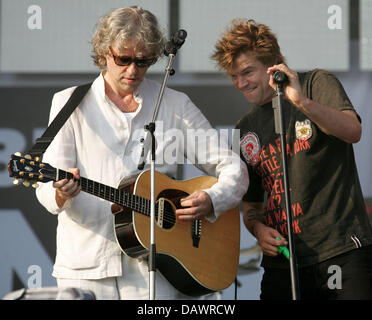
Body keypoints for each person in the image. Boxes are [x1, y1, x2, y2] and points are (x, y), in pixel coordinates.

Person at [35, 6, 248, 300]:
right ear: (103, 51)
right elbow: (46, 190)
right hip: (85, 268)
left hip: (157, 268)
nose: (133, 70)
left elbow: (233, 167)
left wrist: (212, 199)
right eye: (123, 59)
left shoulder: (175, 104)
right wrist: (61, 191)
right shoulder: (69, 104)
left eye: (144, 61)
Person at [212, 18, 372, 300]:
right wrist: (258, 229)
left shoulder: (315, 83)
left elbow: (353, 131)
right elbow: (251, 203)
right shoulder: (245, 128)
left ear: (273, 64)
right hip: (283, 264)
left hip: (339, 253)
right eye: (234, 76)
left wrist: (301, 103)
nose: (240, 83)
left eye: (247, 72)